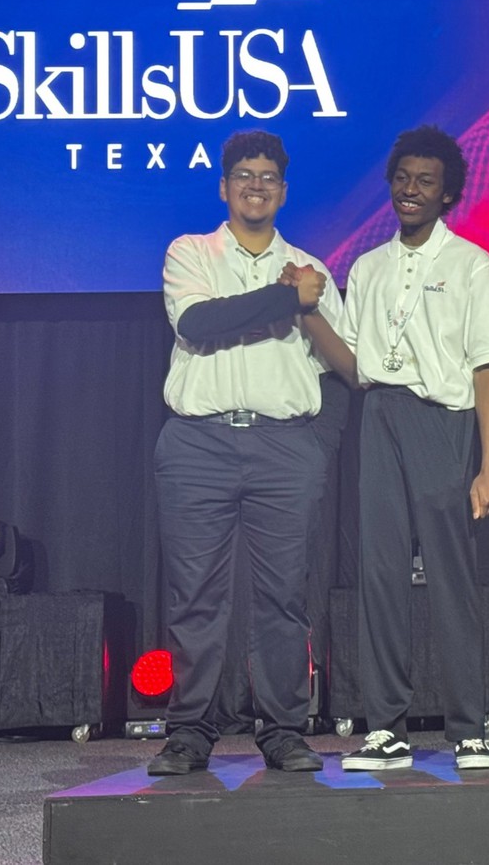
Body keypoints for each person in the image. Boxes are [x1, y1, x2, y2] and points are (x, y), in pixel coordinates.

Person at [312, 125, 489, 772]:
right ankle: (386, 728)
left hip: (443, 420)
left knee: (450, 574)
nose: (410, 190)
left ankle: (468, 726)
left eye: (425, 181)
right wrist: (306, 313)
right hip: (379, 416)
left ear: (448, 193)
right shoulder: (367, 267)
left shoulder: (472, 264)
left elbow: (485, 368)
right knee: (380, 573)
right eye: (402, 179)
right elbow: (353, 366)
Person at [149, 130, 341, 776]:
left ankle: (283, 730)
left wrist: (307, 304)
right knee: (195, 595)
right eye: (244, 176)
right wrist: (288, 299)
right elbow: (198, 323)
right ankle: (188, 732)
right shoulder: (191, 252)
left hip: (284, 444)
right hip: (197, 441)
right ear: (224, 187)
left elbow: (344, 362)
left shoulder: (310, 268)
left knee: (284, 597)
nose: (256, 186)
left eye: (267, 177)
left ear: (283, 191)